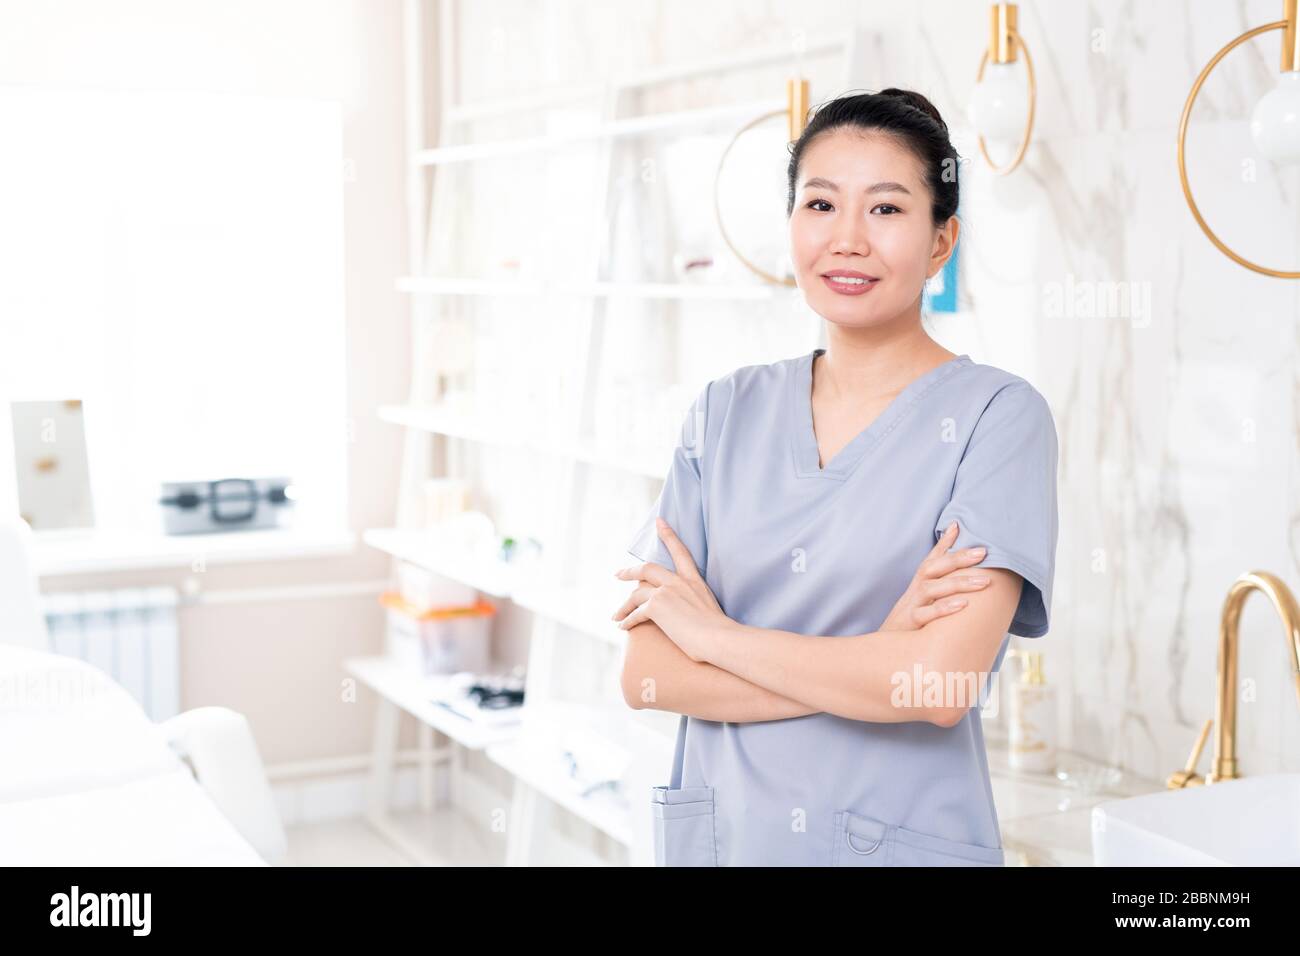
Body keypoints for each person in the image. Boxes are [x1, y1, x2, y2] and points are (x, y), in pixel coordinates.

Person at [613, 88, 1059, 867]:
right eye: (820, 204)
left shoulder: (998, 418)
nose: (847, 239)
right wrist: (877, 655)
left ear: (941, 241)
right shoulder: (724, 412)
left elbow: (937, 687)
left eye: (886, 210)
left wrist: (715, 639)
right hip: (727, 841)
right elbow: (648, 675)